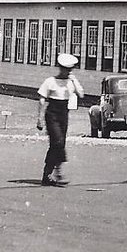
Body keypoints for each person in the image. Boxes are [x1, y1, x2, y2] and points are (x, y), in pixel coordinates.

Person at [37, 50, 82, 185]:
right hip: (52, 114)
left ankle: (49, 174)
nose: (67, 72)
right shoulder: (50, 81)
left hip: (64, 113)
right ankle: (54, 172)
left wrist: (74, 81)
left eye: (69, 70)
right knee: (57, 141)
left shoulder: (70, 82)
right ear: (60, 68)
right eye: (65, 69)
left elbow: (81, 94)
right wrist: (39, 118)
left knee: (60, 143)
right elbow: (42, 99)